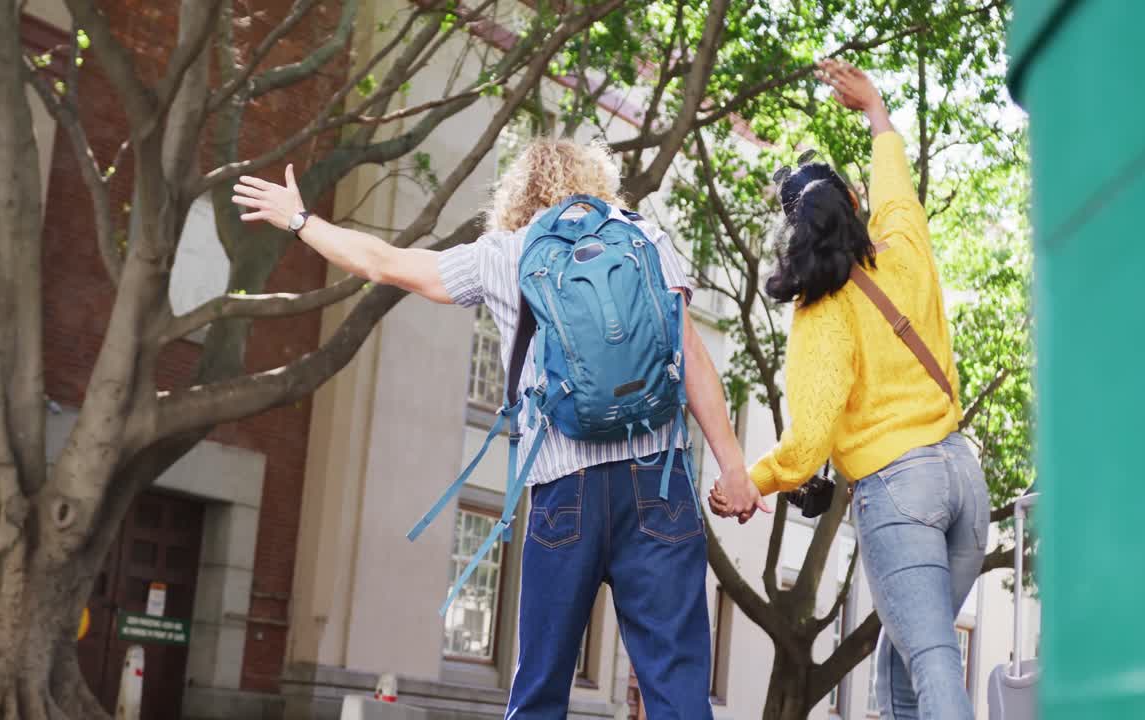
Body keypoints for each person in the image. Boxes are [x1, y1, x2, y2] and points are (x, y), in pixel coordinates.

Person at [232, 138, 768, 719]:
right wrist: (734, 469)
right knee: (679, 688)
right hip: (657, 485)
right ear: (595, 181)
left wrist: (300, 219)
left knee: (540, 686)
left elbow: (382, 262)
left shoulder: (503, 255)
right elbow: (691, 354)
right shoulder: (644, 238)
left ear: (518, 194)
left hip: (564, 491)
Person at [710, 62, 990, 720]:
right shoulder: (905, 250)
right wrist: (876, 110)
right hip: (964, 482)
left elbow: (806, 443)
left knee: (931, 661)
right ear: (854, 207)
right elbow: (897, 187)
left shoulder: (822, 310)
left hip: (902, 493)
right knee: (897, 668)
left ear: (796, 233)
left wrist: (754, 480)